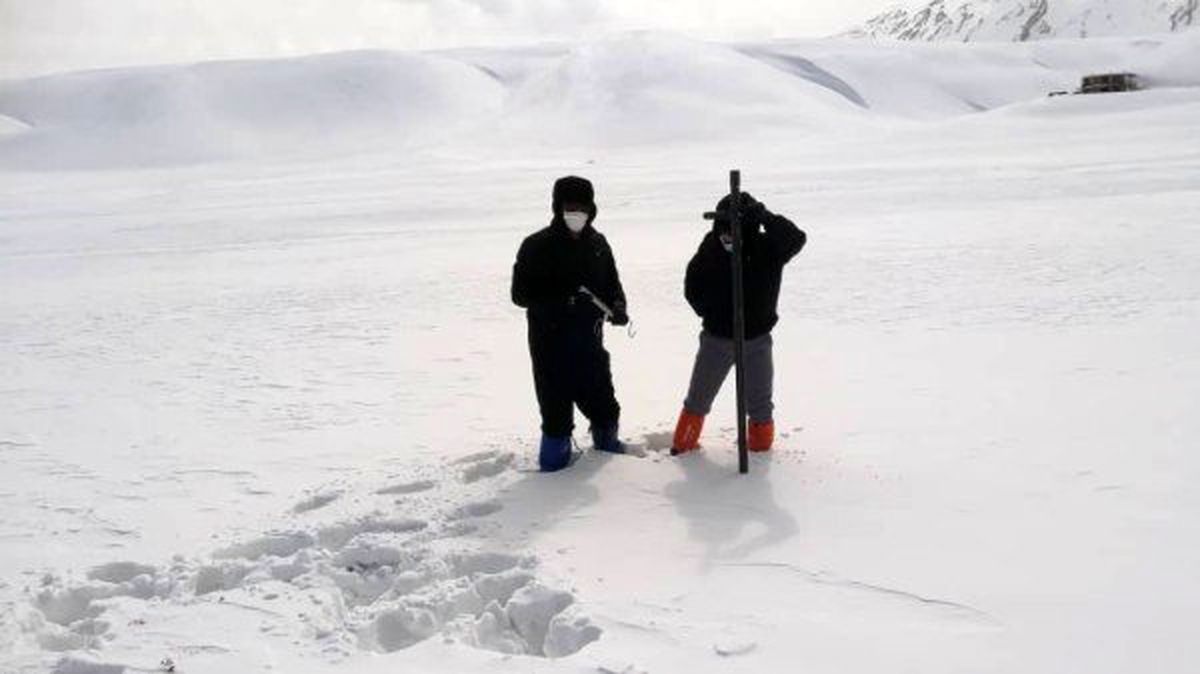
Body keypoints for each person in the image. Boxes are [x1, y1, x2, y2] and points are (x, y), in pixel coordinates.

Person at [671, 192, 806, 456]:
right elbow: (693, 286)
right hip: (717, 340)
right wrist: (713, 314)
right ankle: (683, 446)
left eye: (735, 230)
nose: (728, 237)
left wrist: (765, 216)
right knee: (698, 399)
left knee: (760, 404)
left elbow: (796, 237)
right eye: (723, 230)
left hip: (756, 340)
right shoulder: (711, 247)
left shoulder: (767, 248)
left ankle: (760, 451)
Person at [512, 176, 631, 471]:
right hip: (550, 347)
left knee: (605, 407)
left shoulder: (598, 244)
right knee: (556, 418)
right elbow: (519, 294)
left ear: (592, 209)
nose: (576, 213)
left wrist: (618, 306)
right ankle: (553, 469)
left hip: (589, 345)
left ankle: (609, 455)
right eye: (569, 207)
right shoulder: (536, 246)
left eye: (582, 207)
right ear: (557, 207)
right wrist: (560, 298)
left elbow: (612, 284)